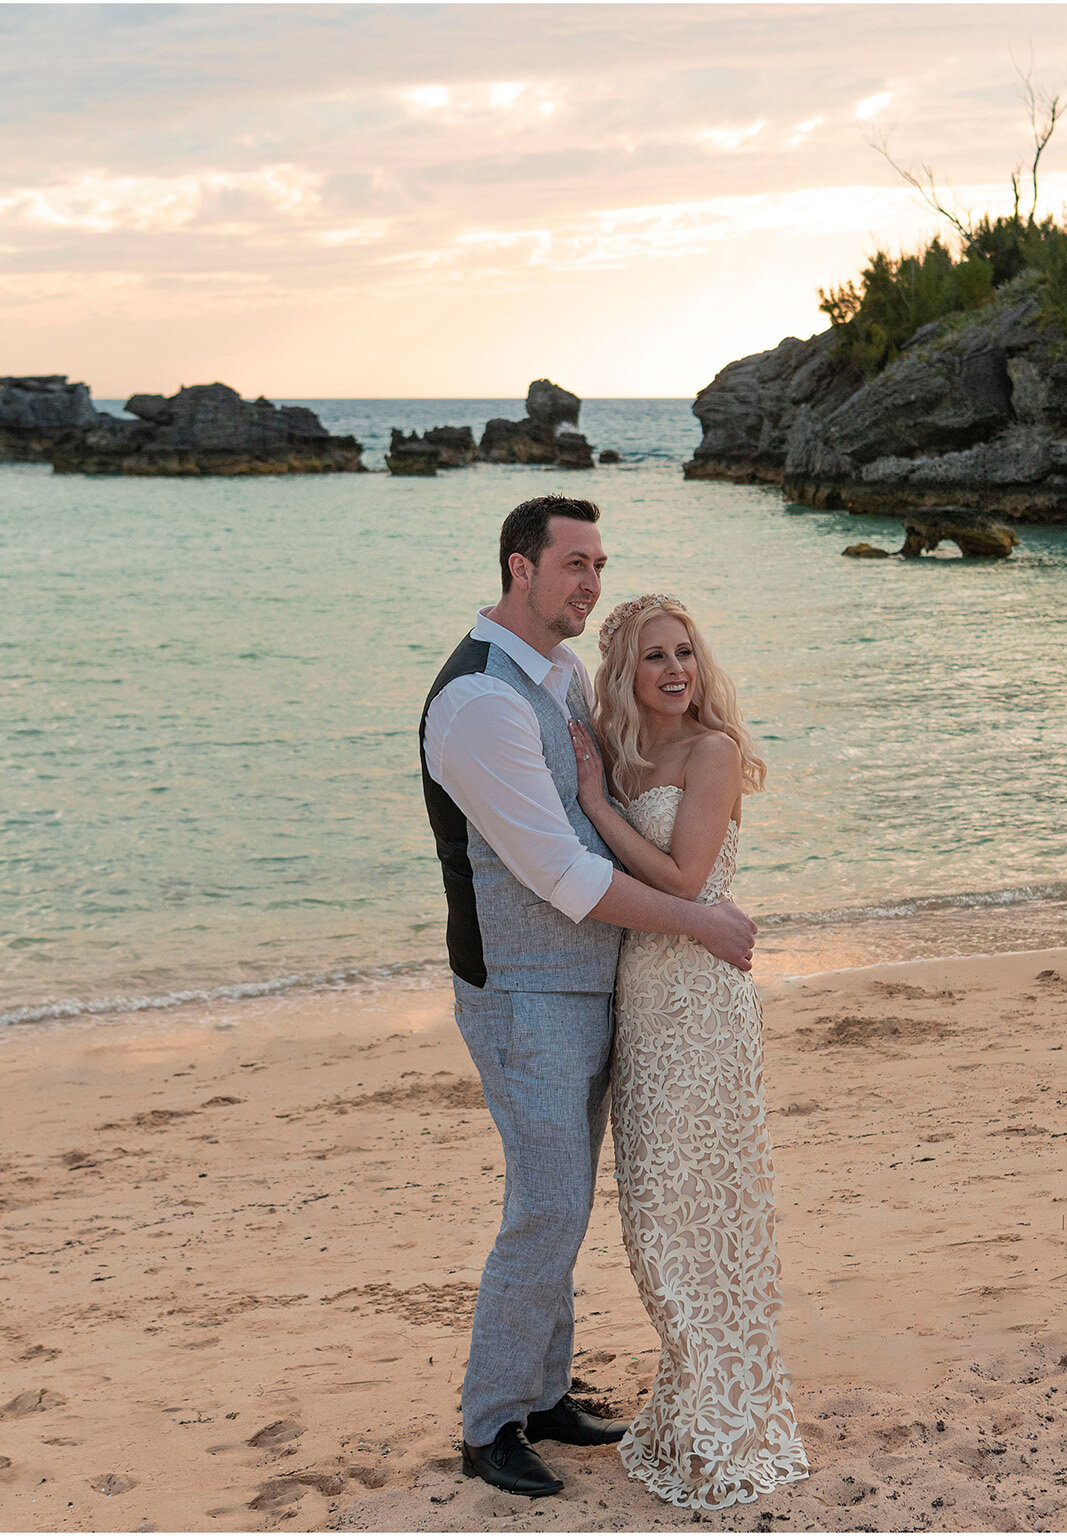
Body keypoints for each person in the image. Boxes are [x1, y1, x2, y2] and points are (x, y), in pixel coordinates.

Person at [419, 497, 759, 1500]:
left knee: (563, 1206)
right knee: (549, 1206)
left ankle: (544, 1394)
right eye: (572, 564)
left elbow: (613, 806)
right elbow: (559, 873)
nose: (589, 584)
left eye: (598, 564)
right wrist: (698, 921)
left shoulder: (561, 674)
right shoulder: (478, 702)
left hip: (602, 982)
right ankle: (490, 1424)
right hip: (522, 993)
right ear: (518, 568)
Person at [567, 592, 809, 1510]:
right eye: (654, 658)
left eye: (686, 653)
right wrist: (600, 784)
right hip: (642, 999)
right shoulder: (632, 755)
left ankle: (727, 1414)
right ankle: (692, 1396)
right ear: (624, 676)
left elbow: (684, 880)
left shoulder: (711, 754)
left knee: (700, 1215)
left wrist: (593, 798)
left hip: (703, 1005)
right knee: (656, 1216)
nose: (675, 670)